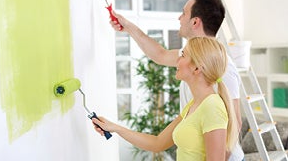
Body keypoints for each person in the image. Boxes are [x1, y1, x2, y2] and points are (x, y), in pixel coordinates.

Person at [110, 0, 244, 161]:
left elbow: (235, 123)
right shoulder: (192, 62)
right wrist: (128, 26)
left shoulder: (223, 68)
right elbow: (160, 54)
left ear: (195, 21)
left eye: (183, 13)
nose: (179, 18)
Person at [93, 37, 239, 161]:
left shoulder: (212, 106)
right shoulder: (193, 105)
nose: (177, 59)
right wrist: (116, 128)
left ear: (197, 68)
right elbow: (157, 143)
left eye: (183, 55)